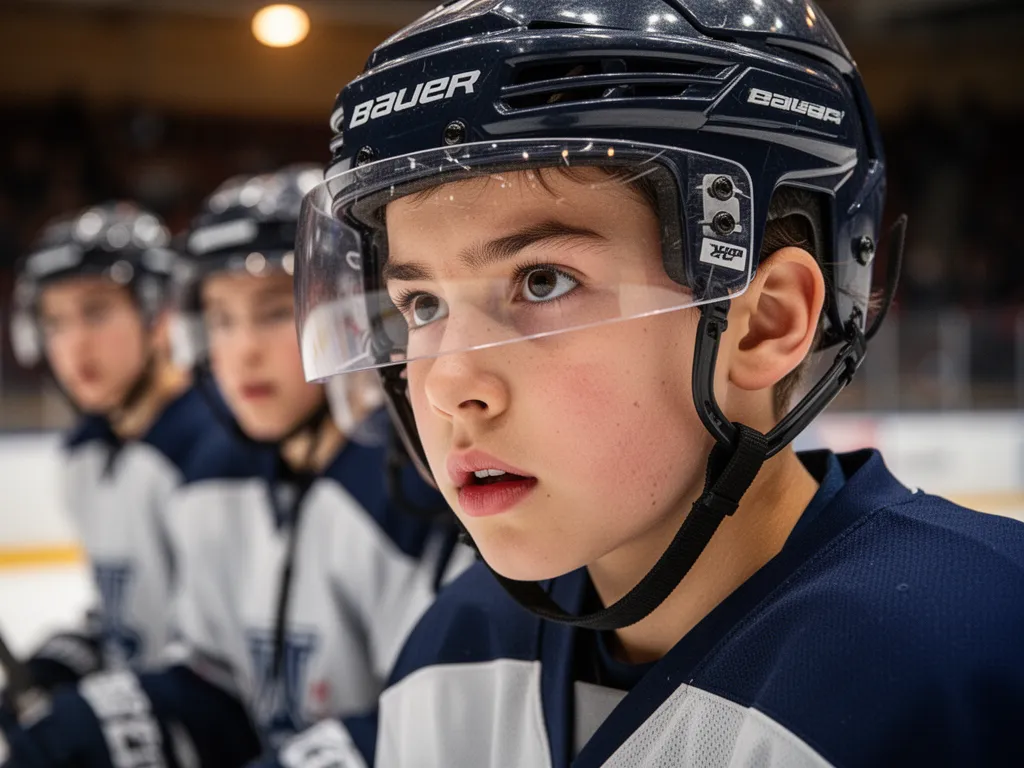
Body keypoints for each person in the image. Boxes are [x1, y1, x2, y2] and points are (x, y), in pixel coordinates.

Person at [281, 1, 1024, 765]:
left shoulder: (979, 651)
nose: (447, 385)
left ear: (764, 323)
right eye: (423, 305)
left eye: (542, 282)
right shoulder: (456, 647)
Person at [1, 167, 471, 768]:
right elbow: (217, 684)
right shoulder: (218, 482)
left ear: (356, 314)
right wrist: (114, 720)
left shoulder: (417, 492)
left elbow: (441, 717)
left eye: (275, 313)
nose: (241, 350)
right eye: (221, 320)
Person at [3, 203, 213, 714]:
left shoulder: (213, 453)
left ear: (158, 314)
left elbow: (225, 660)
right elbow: (131, 619)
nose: (74, 345)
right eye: (54, 323)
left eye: (96, 312)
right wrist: (67, 661)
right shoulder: (85, 455)